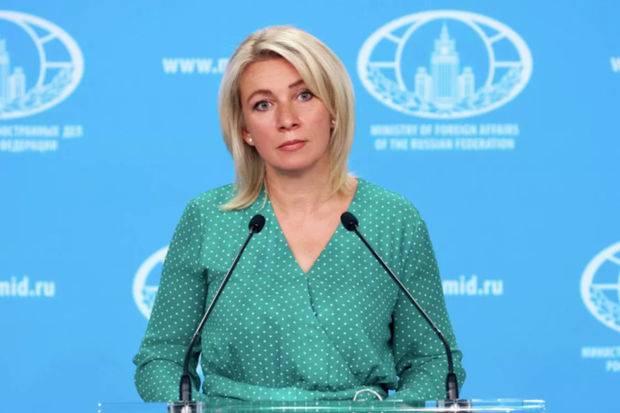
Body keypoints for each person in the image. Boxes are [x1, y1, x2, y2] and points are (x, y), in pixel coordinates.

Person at [133, 26, 465, 403]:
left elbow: (432, 360)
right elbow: (162, 359)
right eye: (263, 104)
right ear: (245, 130)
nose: (287, 119)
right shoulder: (209, 218)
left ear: (334, 110)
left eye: (304, 95)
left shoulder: (393, 218)